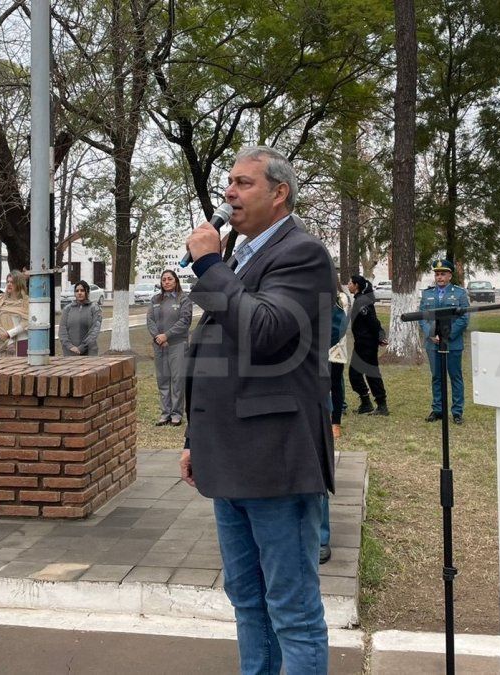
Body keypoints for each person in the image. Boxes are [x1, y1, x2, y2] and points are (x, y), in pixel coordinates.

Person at [179, 146, 335, 674]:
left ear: (279, 193)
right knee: (247, 600)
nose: (229, 192)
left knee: (292, 610)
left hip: (275, 461)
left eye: (243, 183)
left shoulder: (303, 253)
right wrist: (194, 441)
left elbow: (263, 332)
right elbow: (214, 353)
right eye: (229, 182)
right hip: (228, 457)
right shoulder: (241, 257)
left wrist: (208, 264)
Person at [418, 258, 470, 424]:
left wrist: (447, 335)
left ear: (450, 276)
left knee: (455, 377)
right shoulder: (427, 294)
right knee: (437, 377)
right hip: (433, 343)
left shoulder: (460, 293)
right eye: (437, 274)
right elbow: (422, 317)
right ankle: (438, 410)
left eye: (443, 274)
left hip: (452, 343)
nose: (439, 277)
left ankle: (457, 412)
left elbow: (464, 318)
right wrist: (431, 333)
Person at [147, 270, 192, 426]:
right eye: (164, 279)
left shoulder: (184, 299)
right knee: (163, 379)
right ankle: (165, 413)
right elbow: (150, 320)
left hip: (177, 345)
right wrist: (158, 337)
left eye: (169, 279)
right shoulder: (155, 299)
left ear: (176, 281)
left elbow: (185, 321)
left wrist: (166, 336)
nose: (166, 282)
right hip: (159, 345)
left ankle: (176, 414)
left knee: (177, 380)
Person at [347, 274, 388, 416]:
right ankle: (366, 403)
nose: (348, 285)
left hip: (367, 344)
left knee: (367, 373)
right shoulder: (360, 299)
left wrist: (380, 336)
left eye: (350, 283)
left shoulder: (362, 301)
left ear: (356, 285)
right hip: (361, 343)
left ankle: (381, 405)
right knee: (357, 374)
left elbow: (373, 321)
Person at [329, 285, 352, 439]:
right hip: (316, 347)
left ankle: (335, 423)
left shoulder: (341, 297)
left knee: (335, 384)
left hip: (335, 348)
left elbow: (341, 326)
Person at [59, 280, 103, 356]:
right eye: (77, 291)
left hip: (89, 353)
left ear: (87, 292)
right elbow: (62, 330)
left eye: (82, 290)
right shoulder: (67, 309)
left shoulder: (95, 308)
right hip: (70, 353)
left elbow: (94, 331)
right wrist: (70, 346)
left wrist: (82, 347)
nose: (79, 293)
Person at [0, 271, 29, 356]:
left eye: (12, 282)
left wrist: (9, 333)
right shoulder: (0, 300)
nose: (9, 284)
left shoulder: (26, 301)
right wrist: (8, 341)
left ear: (19, 284)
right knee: (4, 364)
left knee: (21, 364)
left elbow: (27, 322)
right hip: (3, 341)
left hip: (21, 340)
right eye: (8, 281)